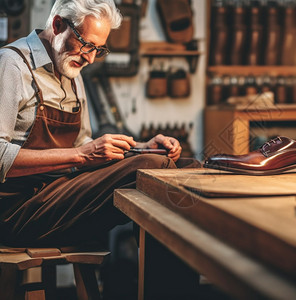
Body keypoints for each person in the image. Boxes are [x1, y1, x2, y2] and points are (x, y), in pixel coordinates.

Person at [0, 0, 184, 247]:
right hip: (15, 209)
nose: (90, 58)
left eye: (98, 49)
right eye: (85, 44)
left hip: (57, 191)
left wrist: (141, 147)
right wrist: (80, 155)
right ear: (57, 25)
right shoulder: (11, 65)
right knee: (154, 168)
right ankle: (167, 285)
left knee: (176, 163)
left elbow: (82, 143)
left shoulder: (71, 72)